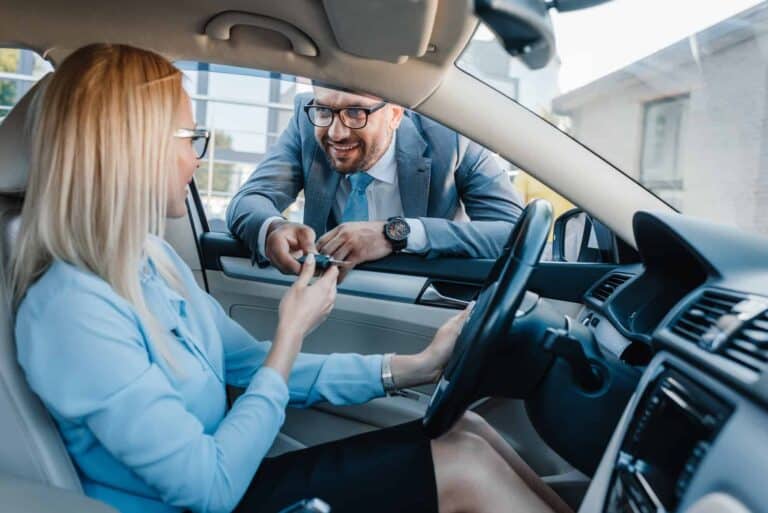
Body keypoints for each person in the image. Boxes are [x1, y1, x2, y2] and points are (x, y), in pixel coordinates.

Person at [12, 44, 570, 513]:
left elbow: (248, 365)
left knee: (466, 433)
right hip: (210, 500)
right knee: (463, 463)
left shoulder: (150, 261)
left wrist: (414, 367)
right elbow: (210, 487)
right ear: (131, 149)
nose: (199, 159)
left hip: (239, 479)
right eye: (189, 137)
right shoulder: (70, 309)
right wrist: (291, 334)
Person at [226, 86, 525, 276]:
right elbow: (249, 201)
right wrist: (274, 229)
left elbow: (513, 233)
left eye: (356, 113)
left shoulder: (452, 137)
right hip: (327, 300)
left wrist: (396, 234)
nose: (335, 134)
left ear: (395, 114)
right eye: (325, 111)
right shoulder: (307, 121)